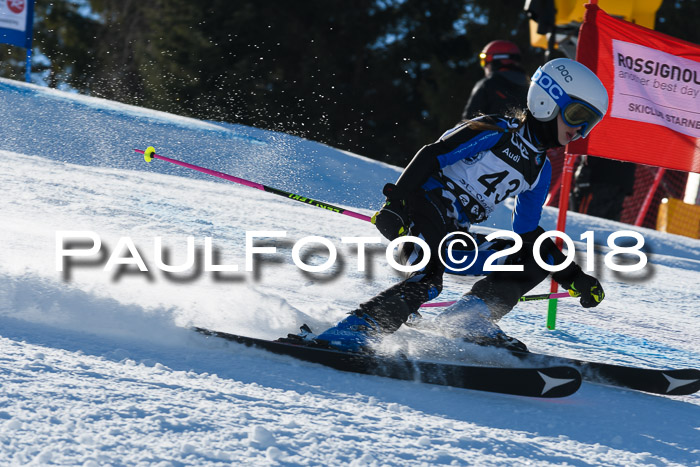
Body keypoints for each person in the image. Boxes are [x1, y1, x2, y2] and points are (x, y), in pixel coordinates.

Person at [313, 58, 608, 353]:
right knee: (429, 279)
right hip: (423, 213)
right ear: (547, 101)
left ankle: (468, 321)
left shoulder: (540, 170)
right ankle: (354, 330)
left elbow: (528, 232)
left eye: (589, 123)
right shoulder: (496, 130)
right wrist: (397, 203)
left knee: (534, 257)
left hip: (456, 236)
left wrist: (572, 276)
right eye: (576, 115)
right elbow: (433, 155)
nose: (580, 129)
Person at [462, 40, 530, 120]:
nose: (484, 66)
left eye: (484, 60)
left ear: (496, 59)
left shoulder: (487, 84)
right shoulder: (531, 85)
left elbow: (468, 121)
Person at [571, 155, 637, 222]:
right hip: (622, 179)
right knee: (608, 224)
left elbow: (592, 148)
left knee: (584, 221)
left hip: (599, 177)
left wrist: (584, 172)